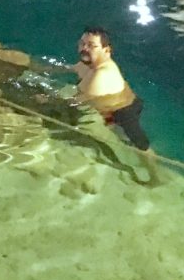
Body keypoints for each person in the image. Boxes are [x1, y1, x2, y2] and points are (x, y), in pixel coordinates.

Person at [69, 27, 161, 183]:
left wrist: (44, 98)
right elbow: (69, 70)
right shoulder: (90, 63)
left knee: (141, 147)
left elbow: (75, 102)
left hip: (123, 111)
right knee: (119, 137)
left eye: (91, 45)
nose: (84, 48)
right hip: (113, 106)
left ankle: (156, 178)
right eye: (82, 43)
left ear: (106, 50)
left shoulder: (102, 74)